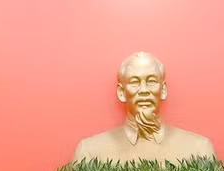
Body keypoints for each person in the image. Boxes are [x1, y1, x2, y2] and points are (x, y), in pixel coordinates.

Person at [72, 51, 215, 164]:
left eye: (151, 81)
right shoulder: (90, 153)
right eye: (134, 82)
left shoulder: (198, 150)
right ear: (121, 92)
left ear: (163, 89)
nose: (144, 90)